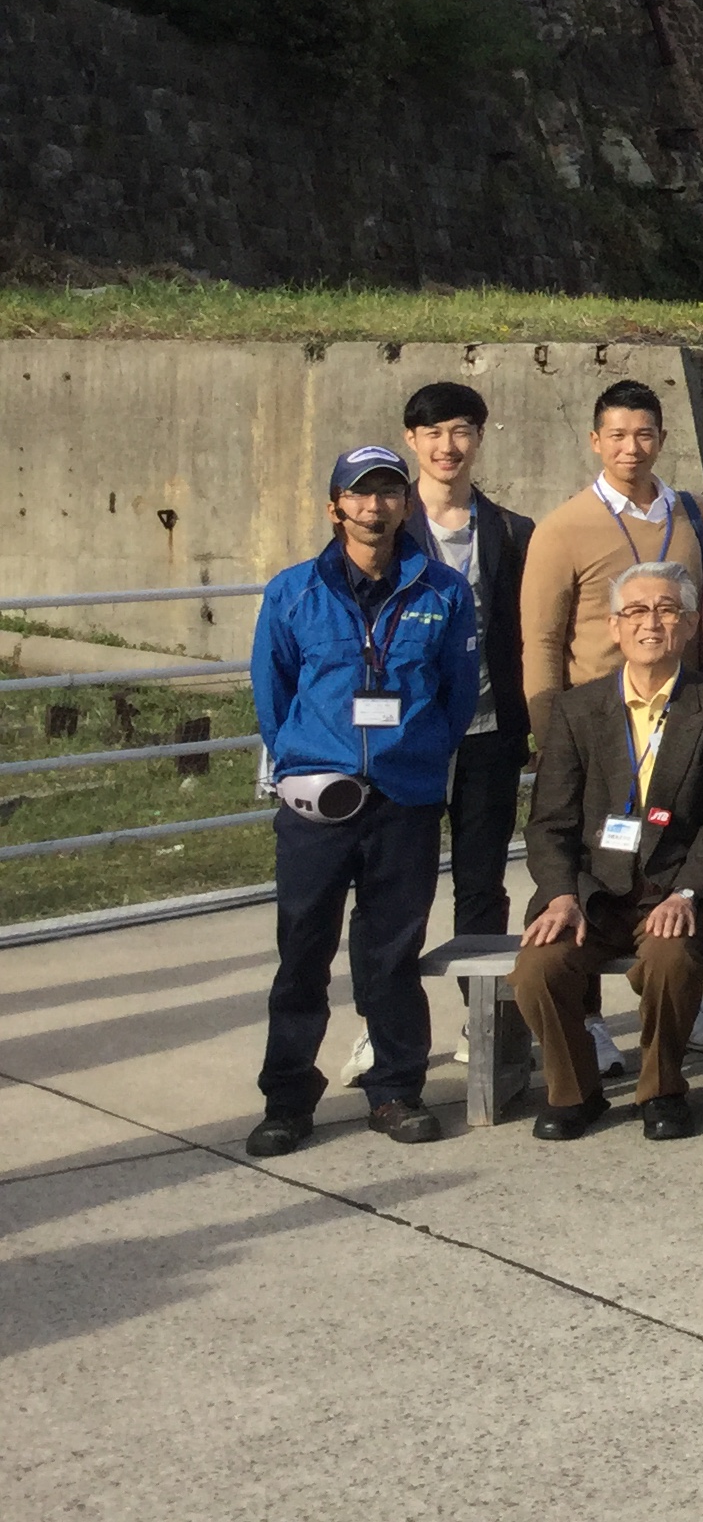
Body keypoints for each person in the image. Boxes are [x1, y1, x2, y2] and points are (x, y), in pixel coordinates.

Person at [243, 446, 479, 1157]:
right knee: (302, 951)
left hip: (404, 800)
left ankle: (395, 1090)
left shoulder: (443, 591)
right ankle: (288, 1099)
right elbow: (273, 694)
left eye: (388, 493)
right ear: (335, 507)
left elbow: (457, 694)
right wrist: (308, 758)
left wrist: (417, 754)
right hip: (318, 804)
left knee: (392, 953)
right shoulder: (292, 592)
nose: (375, 507)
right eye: (360, 494)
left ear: (406, 504)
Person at [511, 562, 703, 1141]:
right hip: (591, 891)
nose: (651, 623)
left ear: (688, 624)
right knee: (538, 968)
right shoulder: (576, 710)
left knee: (671, 959)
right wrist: (561, 896)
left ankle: (661, 1090)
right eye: (636, 611)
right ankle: (575, 1092)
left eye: (666, 610)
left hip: (675, 888)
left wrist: (688, 892)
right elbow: (550, 822)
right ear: (614, 627)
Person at [399, 382, 533, 949]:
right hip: (409, 733)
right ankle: (390, 1003)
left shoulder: (512, 530)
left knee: (482, 882)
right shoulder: (387, 526)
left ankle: (480, 1004)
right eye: (433, 432)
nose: (446, 446)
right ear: (411, 439)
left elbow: (528, 632)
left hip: (488, 731)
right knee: (399, 879)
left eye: (460, 431)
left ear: (479, 437)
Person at [520, 378, 703, 700]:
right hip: (598, 710)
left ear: (662, 439)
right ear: (595, 441)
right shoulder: (561, 529)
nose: (631, 448)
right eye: (618, 436)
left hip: (684, 705)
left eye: (644, 435)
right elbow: (542, 642)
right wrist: (547, 725)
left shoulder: (697, 516)